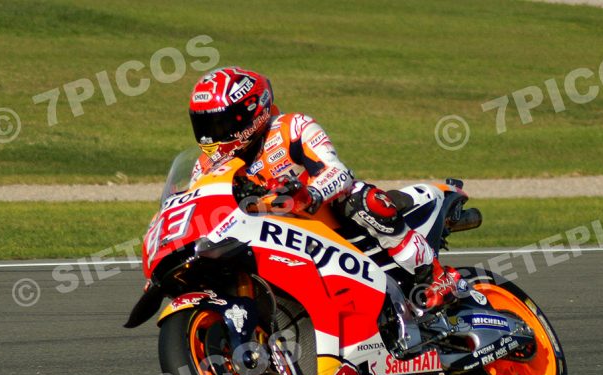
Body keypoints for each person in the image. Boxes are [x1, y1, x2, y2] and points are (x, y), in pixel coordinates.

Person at [188, 66, 461, 308]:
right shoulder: (206, 166)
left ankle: (435, 275)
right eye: (204, 125)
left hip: (330, 222)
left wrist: (312, 193)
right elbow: (195, 207)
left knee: (361, 198)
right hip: (270, 239)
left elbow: (338, 172)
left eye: (219, 123)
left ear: (251, 110)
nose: (211, 135)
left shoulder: (291, 128)